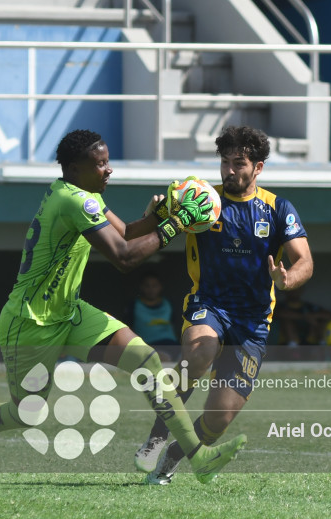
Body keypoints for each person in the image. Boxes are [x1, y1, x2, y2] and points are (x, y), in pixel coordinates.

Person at [0, 129, 246, 484]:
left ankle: (198, 456)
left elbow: (127, 232)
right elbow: (124, 257)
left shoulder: (83, 194)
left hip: (70, 313)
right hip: (30, 323)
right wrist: (174, 225)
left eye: (107, 162)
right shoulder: (74, 201)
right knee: (25, 413)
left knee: (147, 359)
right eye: (99, 164)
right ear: (73, 168)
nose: (108, 170)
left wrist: (160, 216)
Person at [134, 125, 314, 484]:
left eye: (239, 163)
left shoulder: (277, 208)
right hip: (209, 304)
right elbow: (137, 236)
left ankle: (170, 460)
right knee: (201, 350)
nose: (229, 171)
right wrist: (153, 214)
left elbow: (305, 261)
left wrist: (287, 279)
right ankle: (157, 435)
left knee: (219, 418)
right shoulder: (200, 199)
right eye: (224, 162)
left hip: (253, 322)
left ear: (258, 168)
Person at [127, 271, 181, 362]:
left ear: (160, 287)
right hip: (147, 348)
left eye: (154, 286)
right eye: (147, 286)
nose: (151, 289)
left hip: (173, 346)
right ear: (141, 287)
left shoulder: (169, 304)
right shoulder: (133, 306)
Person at [273, 286, 331, 359]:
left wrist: (314, 317)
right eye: (291, 288)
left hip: (309, 341)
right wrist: (304, 317)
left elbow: (328, 315)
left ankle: (322, 347)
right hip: (285, 345)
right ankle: (293, 349)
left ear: (301, 290)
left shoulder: (309, 307)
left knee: (321, 322)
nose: (294, 291)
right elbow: (280, 314)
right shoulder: (280, 306)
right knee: (287, 322)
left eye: (296, 288)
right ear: (285, 290)